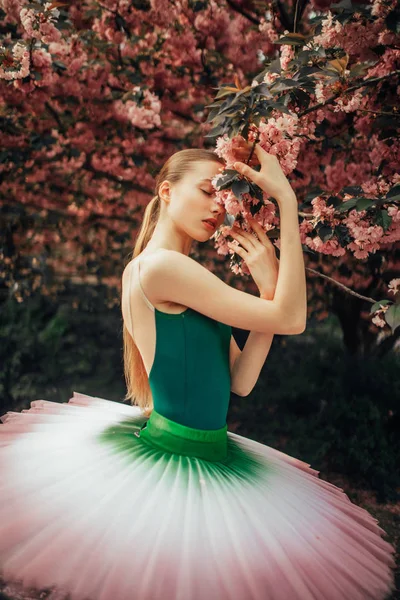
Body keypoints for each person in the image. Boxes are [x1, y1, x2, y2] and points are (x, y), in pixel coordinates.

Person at [0, 144, 396, 600]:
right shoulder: (162, 267)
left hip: (214, 456)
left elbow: (241, 381)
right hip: (173, 468)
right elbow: (293, 320)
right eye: (208, 191)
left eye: (223, 196)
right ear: (166, 192)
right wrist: (286, 203)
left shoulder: (181, 273)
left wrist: (269, 288)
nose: (218, 207)